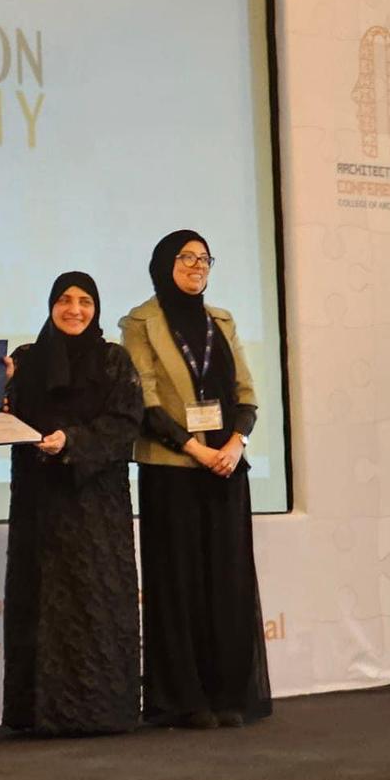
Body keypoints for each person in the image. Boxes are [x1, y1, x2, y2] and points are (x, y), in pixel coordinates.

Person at [119, 229, 272, 730]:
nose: (196, 266)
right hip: (172, 471)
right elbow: (145, 402)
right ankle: (184, 699)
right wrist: (196, 449)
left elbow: (247, 396)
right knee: (179, 587)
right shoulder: (140, 322)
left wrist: (234, 445)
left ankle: (229, 693)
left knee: (227, 583)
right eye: (186, 257)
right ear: (164, 264)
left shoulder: (220, 321)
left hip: (225, 469)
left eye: (204, 259)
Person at [2, 271, 144, 736]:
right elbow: (8, 416)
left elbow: (125, 423)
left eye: (85, 301)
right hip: (38, 501)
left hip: (95, 503)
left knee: (95, 600)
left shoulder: (113, 360)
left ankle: (100, 711)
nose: (74, 309)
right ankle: (37, 714)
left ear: (96, 308)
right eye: (64, 300)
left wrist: (73, 441)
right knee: (40, 601)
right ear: (50, 306)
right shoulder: (26, 360)